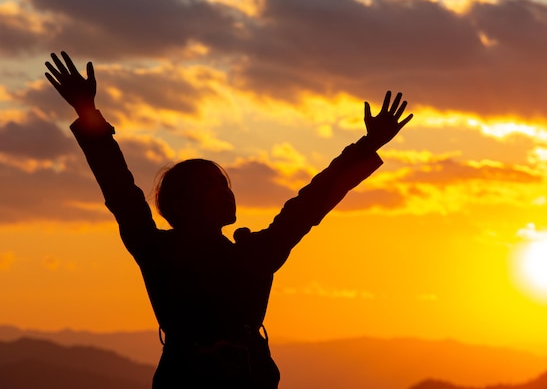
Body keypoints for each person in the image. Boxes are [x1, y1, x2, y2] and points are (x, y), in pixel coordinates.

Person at [45, 51, 413, 389]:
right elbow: (119, 187)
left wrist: (368, 146)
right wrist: (87, 113)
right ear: (181, 202)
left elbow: (312, 202)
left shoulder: (255, 253)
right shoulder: (157, 250)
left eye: (225, 185)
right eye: (210, 187)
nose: (226, 193)